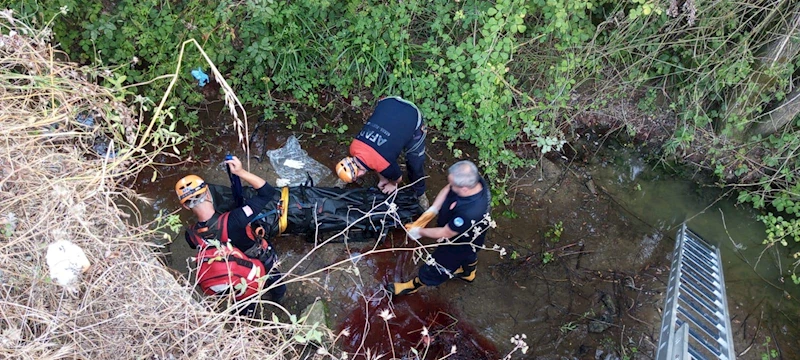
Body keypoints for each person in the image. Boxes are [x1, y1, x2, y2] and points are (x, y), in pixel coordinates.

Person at [175, 156, 286, 304]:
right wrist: (240, 172)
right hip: (258, 262)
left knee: (243, 298)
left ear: (186, 206)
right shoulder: (235, 219)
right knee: (276, 283)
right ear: (208, 193)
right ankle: (278, 298)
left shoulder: (191, 235)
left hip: (235, 274)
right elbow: (267, 192)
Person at [386, 160, 492, 296]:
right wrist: (433, 210)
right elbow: (448, 188)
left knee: (438, 265)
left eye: (453, 185)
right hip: (471, 234)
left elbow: (446, 232)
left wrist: (418, 231)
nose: (450, 186)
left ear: (464, 188)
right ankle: (468, 273)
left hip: (458, 242)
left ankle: (413, 285)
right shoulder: (474, 181)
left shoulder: (470, 212)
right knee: (471, 252)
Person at [335, 96, 428, 207]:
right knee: (383, 153)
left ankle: (420, 192)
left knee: (415, 161)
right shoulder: (353, 147)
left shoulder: (384, 164)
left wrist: (392, 185)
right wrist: (383, 178)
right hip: (388, 102)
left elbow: (398, 178)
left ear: (360, 173)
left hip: (412, 115)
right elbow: (373, 158)